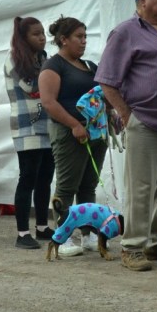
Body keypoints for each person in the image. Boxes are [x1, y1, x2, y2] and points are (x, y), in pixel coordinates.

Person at [96, 0, 157, 272]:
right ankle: (132, 246)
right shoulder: (125, 32)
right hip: (144, 119)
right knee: (141, 187)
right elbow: (107, 80)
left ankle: (155, 242)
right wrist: (127, 114)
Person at [38, 16, 107, 256]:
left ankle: (87, 236)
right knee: (67, 187)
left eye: (85, 36)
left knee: (88, 186)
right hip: (69, 133)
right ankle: (63, 238)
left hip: (95, 134)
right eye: (79, 37)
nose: (84, 41)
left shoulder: (90, 66)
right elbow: (48, 102)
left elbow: (103, 95)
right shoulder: (53, 66)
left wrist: (113, 114)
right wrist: (73, 125)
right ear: (63, 39)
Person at [5, 16, 56, 250]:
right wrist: (53, 73)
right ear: (24, 38)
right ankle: (22, 233)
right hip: (27, 126)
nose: (42, 37)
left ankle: (43, 227)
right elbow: (32, 86)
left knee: (45, 177)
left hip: (48, 124)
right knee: (28, 178)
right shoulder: (14, 59)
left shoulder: (43, 58)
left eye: (43, 32)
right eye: (36, 34)